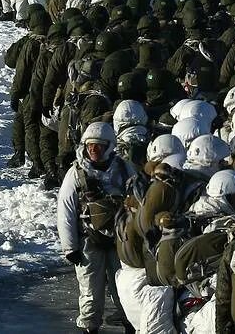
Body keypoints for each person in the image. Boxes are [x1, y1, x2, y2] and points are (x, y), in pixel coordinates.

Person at [57, 121, 136, 334]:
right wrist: (70, 247)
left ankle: (131, 324)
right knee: (90, 291)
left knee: (124, 288)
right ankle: (90, 329)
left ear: (109, 146)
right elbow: (66, 210)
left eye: (99, 145)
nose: (94, 150)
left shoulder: (124, 169)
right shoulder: (76, 174)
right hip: (88, 242)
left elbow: (139, 201)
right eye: (90, 145)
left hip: (120, 240)